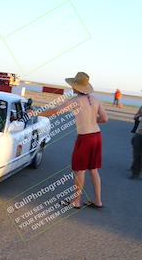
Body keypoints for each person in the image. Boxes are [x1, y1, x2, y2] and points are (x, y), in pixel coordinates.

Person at [41, 72, 108, 208]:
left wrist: (37, 113)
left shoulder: (75, 101)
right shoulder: (95, 100)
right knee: (94, 169)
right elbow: (105, 119)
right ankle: (98, 201)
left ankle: (76, 201)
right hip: (96, 136)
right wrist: (91, 121)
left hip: (85, 138)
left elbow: (56, 111)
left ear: (76, 87)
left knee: (80, 170)